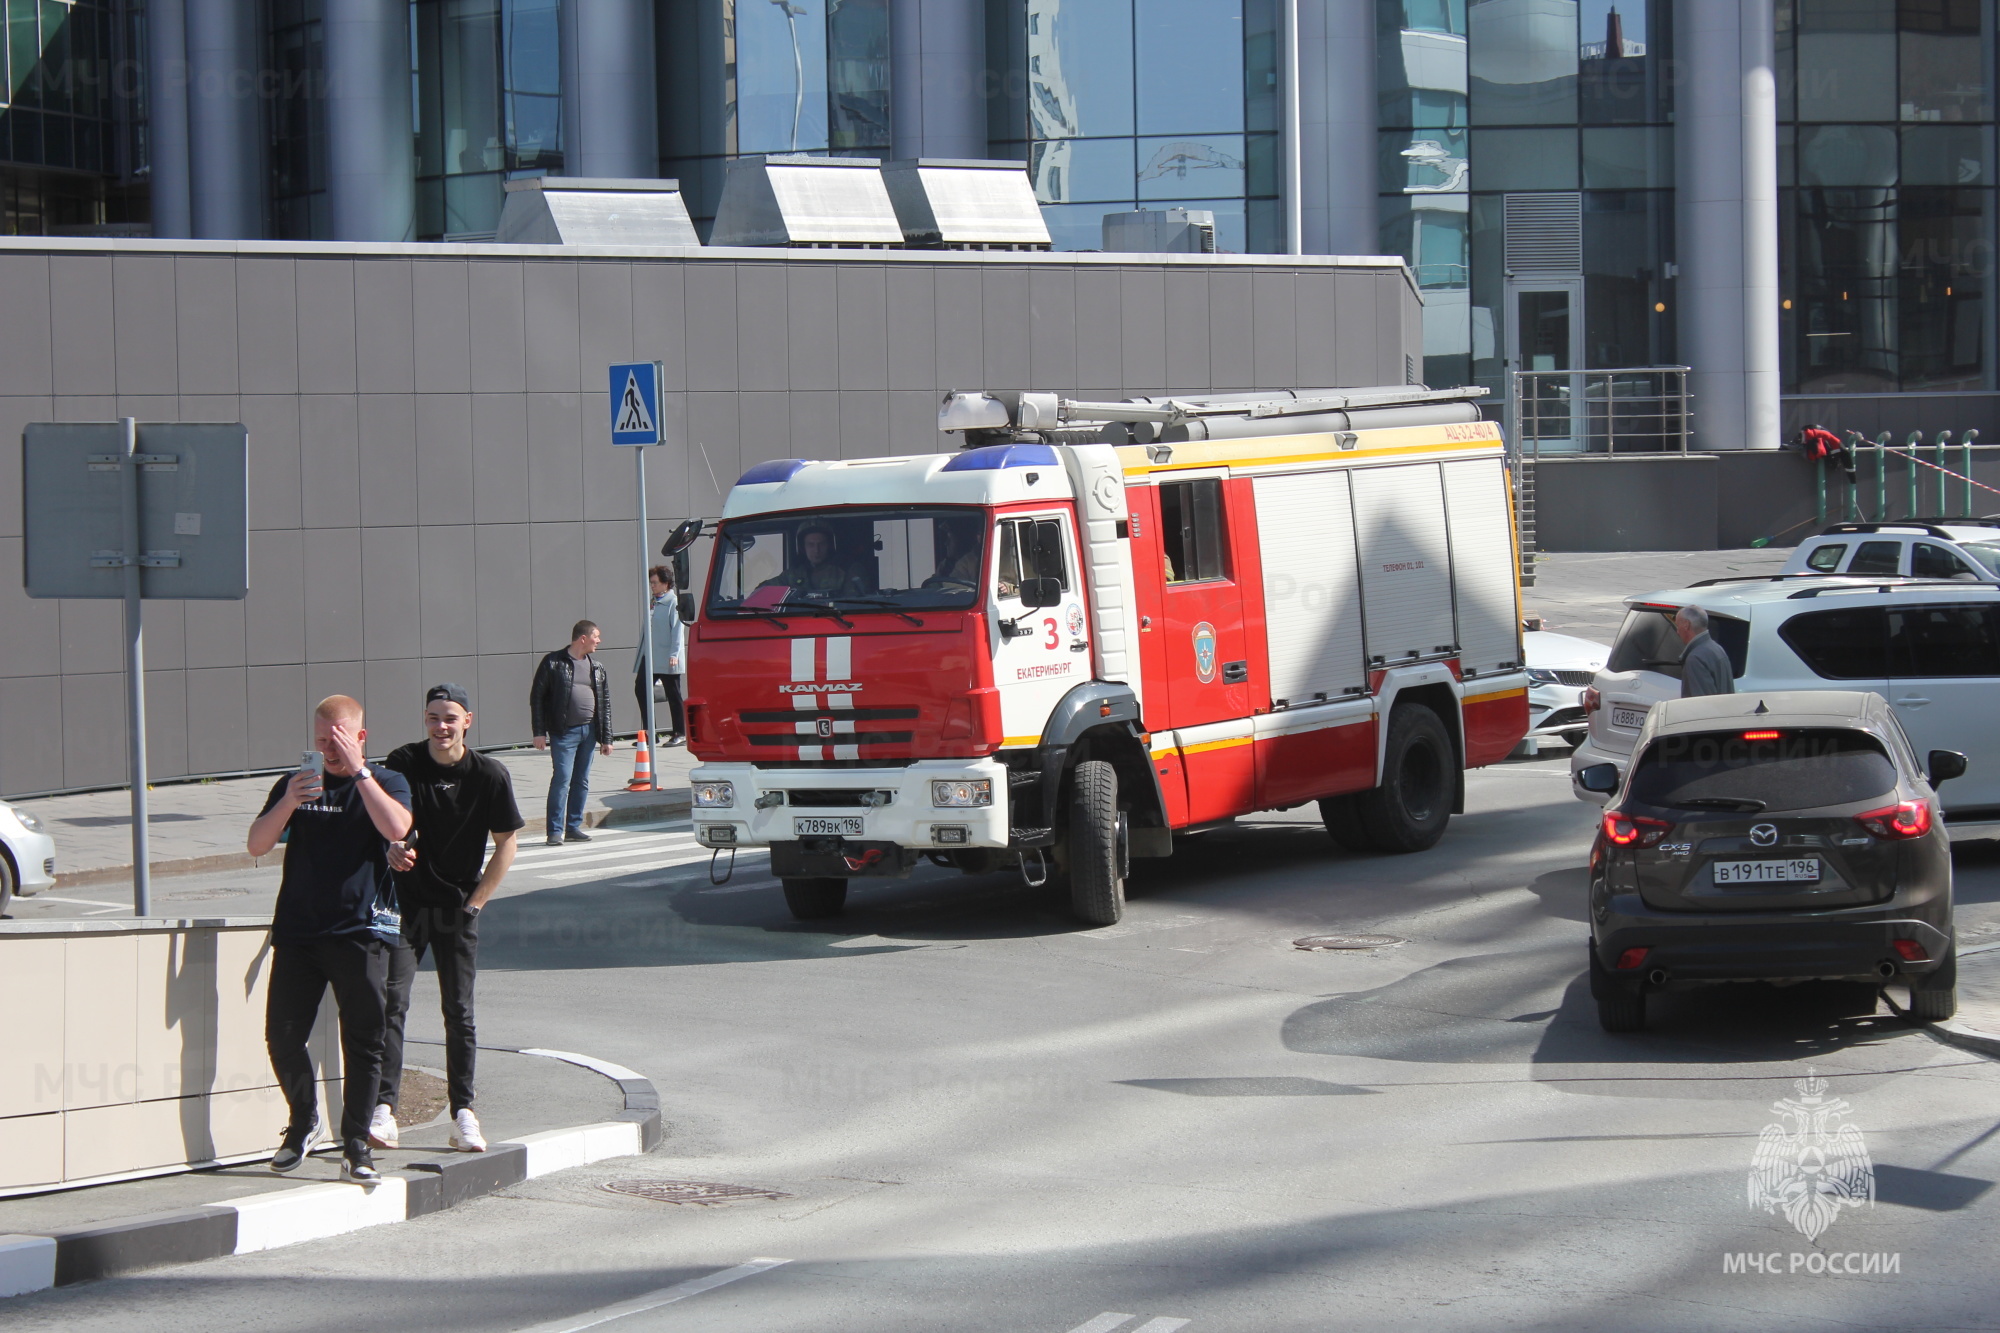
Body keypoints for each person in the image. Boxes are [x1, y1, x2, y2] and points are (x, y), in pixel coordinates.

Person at [246, 695, 413, 1186]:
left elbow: (398, 826)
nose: (328, 750)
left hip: (359, 932)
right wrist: (289, 802)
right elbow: (257, 844)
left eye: (338, 740)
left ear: (360, 737)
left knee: (363, 1042)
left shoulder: (385, 782)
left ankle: (357, 1143)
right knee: (282, 1035)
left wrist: (360, 775)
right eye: (321, 741)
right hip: (299, 931)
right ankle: (303, 1121)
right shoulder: (296, 784)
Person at [372, 684, 524, 1156]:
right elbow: (381, 822)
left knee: (458, 1014)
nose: (441, 726)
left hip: (457, 908)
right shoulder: (402, 762)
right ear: (425, 720)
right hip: (405, 906)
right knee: (390, 1005)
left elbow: (507, 843)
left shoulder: (488, 775)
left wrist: (475, 903)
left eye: (450, 718)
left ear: (467, 721)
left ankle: (463, 1114)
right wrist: (391, 848)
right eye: (434, 718)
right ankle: (384, 1109)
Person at [530, 620, 613, 847]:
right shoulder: (553, 662)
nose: (599, 641)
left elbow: (604, 703)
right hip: (563, 733)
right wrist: (539, 732)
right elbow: (537, 698)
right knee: (562, 779)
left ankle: (573, 827)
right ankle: (554, 831)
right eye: (596, 636)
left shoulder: (597, 667)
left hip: (589, 732)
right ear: (583, 638)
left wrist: (606, 738)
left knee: (581, 781)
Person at [634, 566, 686, 746]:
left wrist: (674, 654)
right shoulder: (653, 602)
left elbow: (678, 630)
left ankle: (679, 732)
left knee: (673, 693)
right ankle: (650, 732)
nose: (652, 586)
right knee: (641, 688)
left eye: (655, 583)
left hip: (666, 655)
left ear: (666, 583)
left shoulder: (673, 602)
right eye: (651, 583)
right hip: (650, 655)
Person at [761, 524, 857, 594]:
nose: (816, 550)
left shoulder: (848, 571)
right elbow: (761, 592)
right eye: (811, 545)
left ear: (829, 546)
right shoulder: (793, 574)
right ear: (803, 547)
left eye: (821, 544)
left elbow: (855, 606)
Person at [1675, 605, 1734, 698]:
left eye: (1678, 626)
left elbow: (1701, 704)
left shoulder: (1695, 658)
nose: (1677, 631)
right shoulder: (1717, 649)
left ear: (1686, 625)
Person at [924, 520, 982, 588]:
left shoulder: (971, 563)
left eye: (950, 538)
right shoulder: (945, 564)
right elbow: (932, 585)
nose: (946, 543)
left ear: (962, 540)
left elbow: (958, 589)